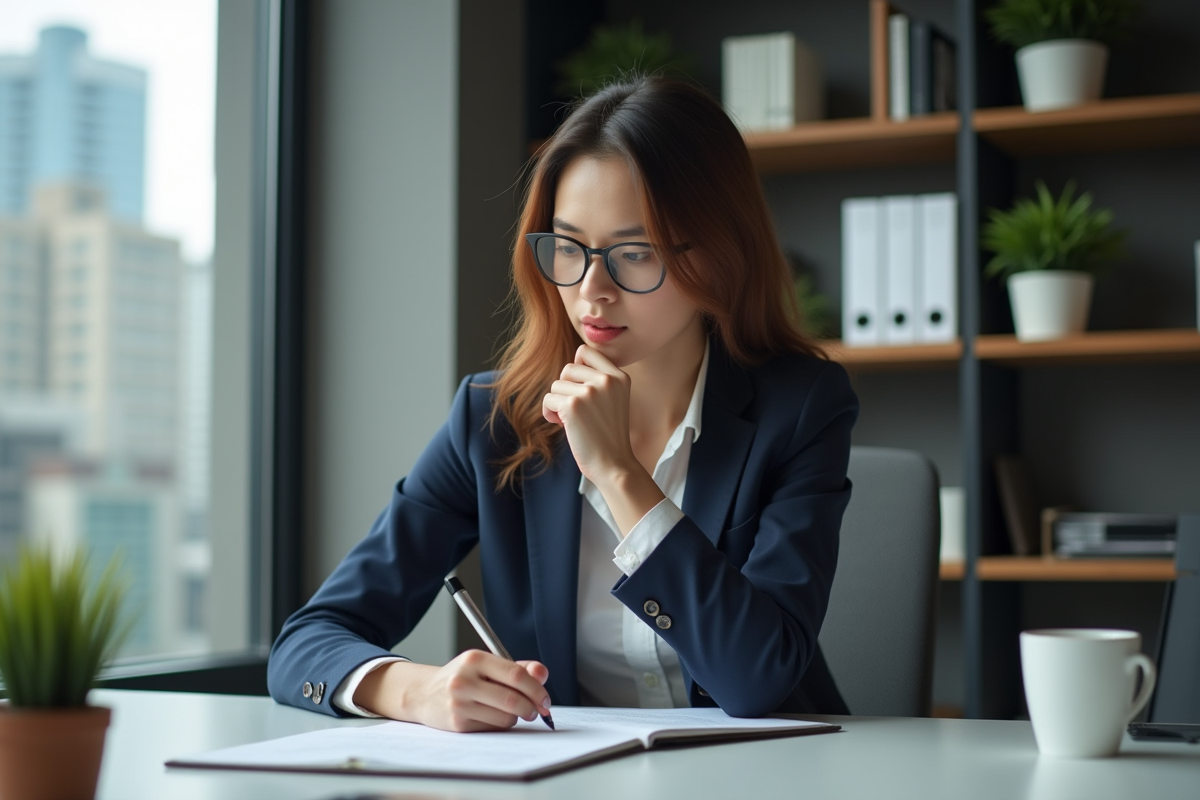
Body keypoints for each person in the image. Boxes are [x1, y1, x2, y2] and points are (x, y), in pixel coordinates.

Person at [267, 75, 859, 732]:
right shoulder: (492, 418)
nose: (591, 290)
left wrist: (620, 475)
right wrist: (416, 692)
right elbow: (306, 643)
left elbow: (755, 678)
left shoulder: (801, 408)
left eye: (634, 254)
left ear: (719, 256)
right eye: (570, 248)